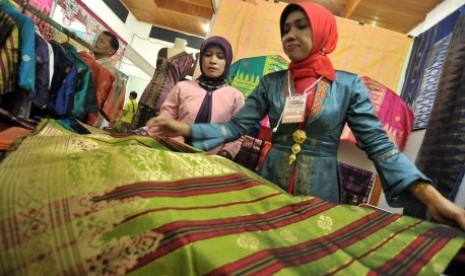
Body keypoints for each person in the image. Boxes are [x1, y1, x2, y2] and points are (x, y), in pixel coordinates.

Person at [146, 2, 465, 229]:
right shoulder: (271, 83)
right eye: (286, 28)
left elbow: (380, 147)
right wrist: (182, 128)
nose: (290, 34)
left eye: (302, 26)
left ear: (323, 33)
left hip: (321, 189)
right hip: (268, 179)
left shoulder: (347, 85)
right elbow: (233, 129)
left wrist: (432, 198)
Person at [155, 36, 245, 158]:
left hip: (210, 164)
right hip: (173, 154)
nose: (213, 60)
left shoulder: (236, 97)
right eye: (208, 55)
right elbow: (166, 118)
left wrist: (226, 153)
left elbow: (237, 133)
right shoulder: (182, 88)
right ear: (201, 58)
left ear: (227, 62)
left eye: (220, 56)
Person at [132, 37, 195, 129]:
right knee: (137, 126)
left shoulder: (187, 59)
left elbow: (180, 79)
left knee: (153, 129)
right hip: (148, 92)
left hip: (166, 96)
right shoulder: (162, 51)